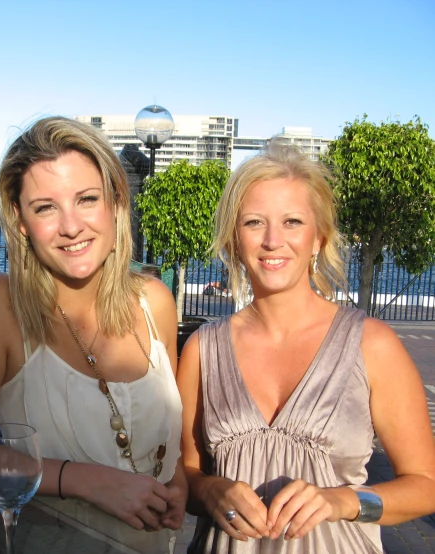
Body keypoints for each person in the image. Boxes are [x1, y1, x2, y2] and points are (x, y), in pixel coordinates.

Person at [178, 141, 435, 553]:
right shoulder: (202, 349)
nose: (273, 240)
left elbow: (425, 486)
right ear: (234, 239)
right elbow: (183, 477)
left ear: (318, 238)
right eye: (254, 222)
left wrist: (342, 501)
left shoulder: (372, 345)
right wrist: (209, 489)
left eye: (293, 221)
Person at [0, 117, 187, 554]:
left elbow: (165, 446)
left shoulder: (154, 302)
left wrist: (177, 487)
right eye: (45, 207)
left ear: (116, 204)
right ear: (21, 221)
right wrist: (88, 482)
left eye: (86, 199)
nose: (71, 226)